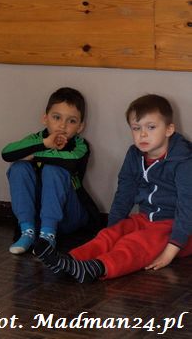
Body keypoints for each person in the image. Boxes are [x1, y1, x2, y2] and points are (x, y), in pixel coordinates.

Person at [35, 94, 192, 282]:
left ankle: (98, 268)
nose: (142, 134)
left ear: (169, 129)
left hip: (176, 226)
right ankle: (69, 261)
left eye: (151, 127)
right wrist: (113, 231)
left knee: (134, 243)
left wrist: (170, 252)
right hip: (145, 218)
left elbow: (187, 208)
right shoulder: (135, 154)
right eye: (136, 128)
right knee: (110, 235)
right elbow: (124, 193)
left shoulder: (183, 161)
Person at [1, 87, 98, 254]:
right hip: (37, 216)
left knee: (54, 169)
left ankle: (47, 236)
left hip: (69, 215)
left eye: (71, 121)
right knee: (18, 167)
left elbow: (71, 162)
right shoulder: (37, 139)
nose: (62, 125)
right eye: (56, 117)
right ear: (45, 118)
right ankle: (27, 231)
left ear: (80, 126)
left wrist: (34, 155)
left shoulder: (80, 145)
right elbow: (6, 153)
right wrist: (45, 144)